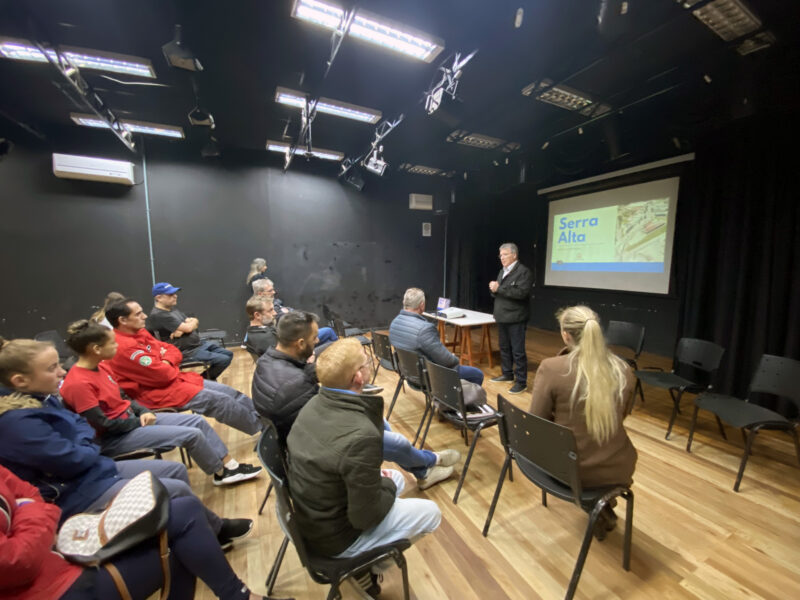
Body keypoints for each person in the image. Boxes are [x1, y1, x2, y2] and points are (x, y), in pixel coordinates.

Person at [0, 337, 253, 550]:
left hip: (105, 451)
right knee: (184, 454)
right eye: (52, 367)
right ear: (20, 380)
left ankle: (197, 525)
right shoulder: (23, 419)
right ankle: (197, 532)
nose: (61, 372)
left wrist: (137, 412)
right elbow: (83, 443)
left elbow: (117, 402)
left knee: (176, 468)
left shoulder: (50, 396)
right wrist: (108, 430)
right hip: (86, 478)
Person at [287, 338, 442, 595]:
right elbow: (364, 516)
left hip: (314, 514)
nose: (370, 365)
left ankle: (371, 555)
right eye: (367, 362)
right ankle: (365, 565)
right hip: (336, 539)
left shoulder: (313, 404)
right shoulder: (361, 436)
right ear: (358, 377)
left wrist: (385, 485)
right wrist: (387, 487)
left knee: (396, 477)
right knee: (430, 511)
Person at [0, 465, 289, 600]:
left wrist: (28, 512)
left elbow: (28, 492)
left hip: (61, 544)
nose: (61, 373)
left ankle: (239, 596)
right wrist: (38, 514)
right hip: (51, 588)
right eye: (52, 368)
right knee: (180, 549)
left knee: (185, 509)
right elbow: (17, 561)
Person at [253, 312, 457, 490]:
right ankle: (430, 461)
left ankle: (423, 471)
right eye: (314, 338)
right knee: (392, 440)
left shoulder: (269, 361)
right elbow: (321, 418)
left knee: (380, 422)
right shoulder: (292, 386)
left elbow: (302, 380)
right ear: (299, 343)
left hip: (298, 437)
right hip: (311, 451)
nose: (317, 342)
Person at [60, 320, 262, 486]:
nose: (116, 346)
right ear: (96, 349)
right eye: (112, 344)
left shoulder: (101, 367)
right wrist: (138, 421)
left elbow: (124, 398)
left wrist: (142, 411)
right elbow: (102, 423)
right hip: (116, 435)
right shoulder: (78, 383)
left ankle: (229, 467)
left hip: (133, 419)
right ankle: (220, 472)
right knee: (192, 433)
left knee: (197, 423)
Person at [528, 305, 637, 539]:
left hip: (569, 471)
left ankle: (595, 505)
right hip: (617, 467)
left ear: (566, 335)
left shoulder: (552, 369)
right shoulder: (624, 370)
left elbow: (537, 422)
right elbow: (622, 415)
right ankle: (600, 504)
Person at [106, 298, 263, 436]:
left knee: (230, 393)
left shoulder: (140, 332)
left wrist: (165, 361)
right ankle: (264, 432)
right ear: (123, 320)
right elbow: (163, 374)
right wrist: (166, 362)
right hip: (157, 394)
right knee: (221, 401)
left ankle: (268, 420)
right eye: (138, 314)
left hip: (177, 380)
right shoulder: (123, 347)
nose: (144, 316)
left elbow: (171, 349)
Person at [389, 287, 484, 385]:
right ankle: (459, 399)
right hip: (427, 377)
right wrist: (455, 358)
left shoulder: (394, 323)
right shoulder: (424, 329)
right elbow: (445, 360)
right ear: (422, 305)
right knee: (477, 374)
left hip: (407, 372)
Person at [146, 282, 233, 380]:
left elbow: (193, 320)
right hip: (186, 351)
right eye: (170, 294)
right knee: (223, 360)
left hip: (197, 344)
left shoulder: (172, 310)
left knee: (229, 354)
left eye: (175, 293)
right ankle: (203, 380)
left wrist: (183, 329)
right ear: (159, 298)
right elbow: (189, 327)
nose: (175, 296)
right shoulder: (159, 315)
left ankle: (204, 380)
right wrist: (186, 327)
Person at [489, 242, 533, 394]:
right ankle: (507, 374)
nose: (502, 258)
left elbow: (521, 294)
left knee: (518, 351)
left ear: (514, 255)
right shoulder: (502, 271)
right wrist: (493, 290)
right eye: (500, 255)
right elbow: (500, 293)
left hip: (516, 317)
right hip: (502, 316)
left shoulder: (523, 272)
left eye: (505, 254)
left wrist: (499, 289)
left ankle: (521, 382)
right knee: (504, 348)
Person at [251, 278, 338, 344]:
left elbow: (287, 310)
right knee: (328, 331)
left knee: (328, 343)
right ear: (260, 293)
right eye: (270, 290)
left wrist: (287, 311)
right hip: (293, 341)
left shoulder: (269, 303)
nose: (274, 292)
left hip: (293, 337)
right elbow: (286, 316)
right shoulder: (265, 307)